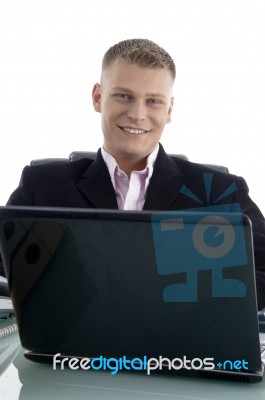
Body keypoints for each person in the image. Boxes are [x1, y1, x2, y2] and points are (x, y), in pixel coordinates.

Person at [2, 39, 265, 309]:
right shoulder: (43, 186)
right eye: (124, 96)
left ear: (169, 110)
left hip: (182, 345)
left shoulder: (219, 191)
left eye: (153, 101)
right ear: (97, 97)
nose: (137, 114)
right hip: (71, 345)